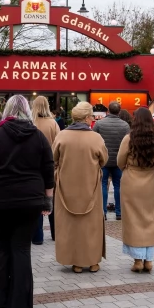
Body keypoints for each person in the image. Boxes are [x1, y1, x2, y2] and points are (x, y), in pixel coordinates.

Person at [0, 96, 55, 308]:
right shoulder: (38, 137)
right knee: (21, 248)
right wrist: (47, 200)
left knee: (1, 246)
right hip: (30, 199)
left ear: (8, 110)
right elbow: (48, 171)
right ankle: (18, 302)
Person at [52, 102, 109, 273]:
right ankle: (92, 261)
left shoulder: (62, 136)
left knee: (70, 225)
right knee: (91, 225)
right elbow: (104, 160)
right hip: (90, 185)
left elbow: (54, 157)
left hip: (66, 187)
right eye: (91, 116)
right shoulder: (95, 138)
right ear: (86, 118)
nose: (93, 119)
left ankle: (75, 261)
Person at [116, 107, 154, 272]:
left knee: (132, 220)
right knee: (150, 219)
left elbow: (120, 161)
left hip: (132, 180)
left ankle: (137, 260)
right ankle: (149, 260)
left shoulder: (129, 138)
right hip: (151, 180)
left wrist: (129, 169)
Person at [30, 96, 61, 245]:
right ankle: (56, 233)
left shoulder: (31, 123)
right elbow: (59, 144)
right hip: (51, 166)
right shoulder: (53, 123)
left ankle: (37, 237)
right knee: (51, 200)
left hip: (33, 167)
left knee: (36, 202)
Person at [94, 101, 130, 220]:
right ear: (119, 111)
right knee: (118, 186)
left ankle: (103, 212)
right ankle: (119, 212)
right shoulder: (125, 125)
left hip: (103, 160)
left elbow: (93, 140)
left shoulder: (99, 124)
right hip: (118, 161)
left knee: (103, 185)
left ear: (107, 111)